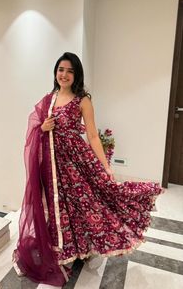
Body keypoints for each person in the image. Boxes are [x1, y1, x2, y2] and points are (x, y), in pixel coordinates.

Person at [13, 52, 163, 286]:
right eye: (61, 69)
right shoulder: (48, 99)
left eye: (70, 71)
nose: (64, 74)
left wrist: (106, 166)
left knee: (86, 204)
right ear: (55, 72)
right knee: (58, 208)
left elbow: (92, 135)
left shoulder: (82, 100)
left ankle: (86, 245)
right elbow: (35, 129)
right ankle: (65, 249)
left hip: (76, 164)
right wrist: (43, 127)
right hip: (52, 167)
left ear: (76, 75)